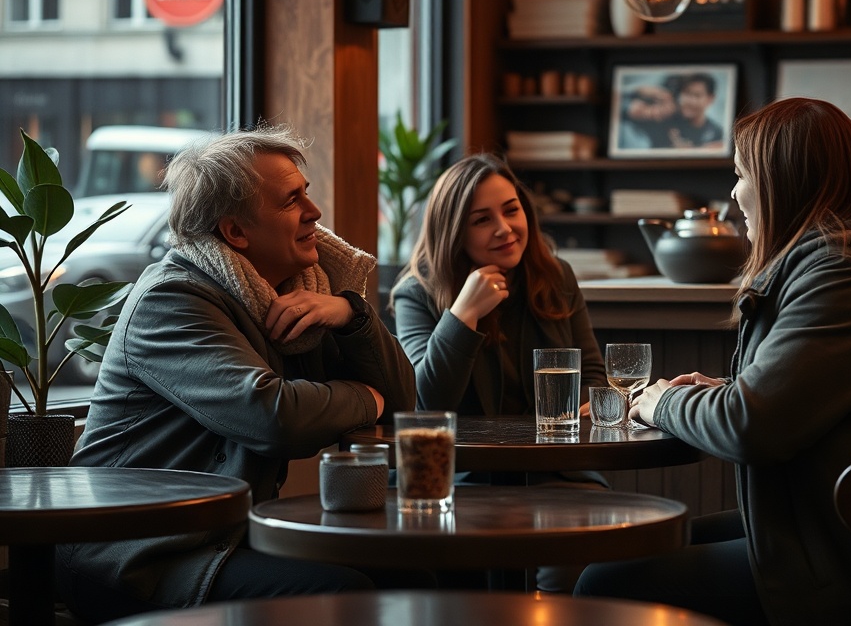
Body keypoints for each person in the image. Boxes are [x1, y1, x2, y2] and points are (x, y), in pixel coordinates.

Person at [574, 98, 851, 625]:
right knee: (635, 549)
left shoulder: (846, 272)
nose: (733, 193)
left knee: (606, 581)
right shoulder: (848, 261)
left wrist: (663, 401)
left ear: (781, 182)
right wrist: (724, 390)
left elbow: (750, 426)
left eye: (740, 174)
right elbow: (802, 395)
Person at [56, 125, 419, 623]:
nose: (314, 213)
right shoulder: (173, 299)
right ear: (235, 232)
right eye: (292, 201)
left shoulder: (297, 294)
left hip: (223, 541)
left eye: (305, 195)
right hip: (136, 556)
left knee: (411, 570)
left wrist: (349, 313)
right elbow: (273, 417)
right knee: (345, 593)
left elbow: (403, 400)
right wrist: (366, 397)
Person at [389, 153, 607, 590]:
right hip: (460, 479)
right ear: (454, 231)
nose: (505, 228)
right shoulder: (417, 292)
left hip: (553, 473)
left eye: (511, 210)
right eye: (482, 219)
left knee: (577, 550)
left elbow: (595, 381)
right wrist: (462, 314)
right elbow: (426, 405)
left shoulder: (555, 276)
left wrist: (589, 405)